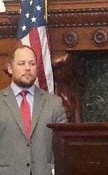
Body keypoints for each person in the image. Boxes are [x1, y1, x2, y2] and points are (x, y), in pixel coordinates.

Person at [0, 45, 67, 175]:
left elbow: (63, 146)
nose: (27, 68)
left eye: (32, 63)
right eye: (21, 63)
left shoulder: (54, 103)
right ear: (10, 68)